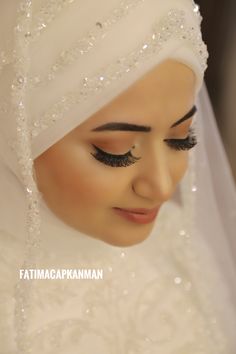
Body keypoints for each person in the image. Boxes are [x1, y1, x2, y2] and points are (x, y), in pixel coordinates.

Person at [0, 0, 236, 353]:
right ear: (15, 136)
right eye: (117, 152)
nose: (161, 186)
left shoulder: (176, 242)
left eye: (182, 138)